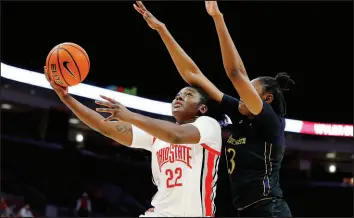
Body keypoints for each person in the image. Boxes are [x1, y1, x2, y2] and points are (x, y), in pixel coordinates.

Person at [133, 1, 293, 217]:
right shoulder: (240, 112)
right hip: (246, 211)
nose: (241, 96)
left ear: (267, 99)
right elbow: (193, 75)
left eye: (249, 92)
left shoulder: (269, 121)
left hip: (270, 209)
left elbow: (236, 73)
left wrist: (218, 18)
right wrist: (162, 30)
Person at [43, 64, 224, 217]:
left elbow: (176, 136)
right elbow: (103, 126)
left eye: (188, 94)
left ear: (202, 108)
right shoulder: (155, 135)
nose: (179, 97)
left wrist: (130, 116)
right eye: (178, 94)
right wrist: (66, 98)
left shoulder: (208, 126)